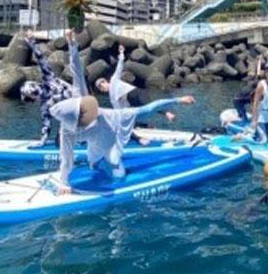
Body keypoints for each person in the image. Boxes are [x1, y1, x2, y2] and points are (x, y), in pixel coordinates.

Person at [50, 30, 195, 194]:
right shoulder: (66, 132)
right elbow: (66, 160)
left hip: (108, 138)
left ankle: (114, 159)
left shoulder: (88, 103)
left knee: (118, 175)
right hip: (94, 144)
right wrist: (63, 182)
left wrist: (72, 44)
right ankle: (99, 162)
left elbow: (148, 108)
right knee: (93, 163)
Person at [94, 44, 176, 143]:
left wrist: (121, 53)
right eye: (100, 88)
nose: (102, 87)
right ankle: (146, 128)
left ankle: (167, 113)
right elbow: (120, 112)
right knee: (129, 117)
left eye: (102, 84)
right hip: (129, 104)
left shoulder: (114, 80)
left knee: (150, 105)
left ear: (106, 82)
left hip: (134, 93)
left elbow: (119, 67)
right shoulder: (112, 98)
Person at [20, 31, 73, 147]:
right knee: (59, 143)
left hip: (81, 105)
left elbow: (41, 58)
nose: (34, 99)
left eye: (31, 97)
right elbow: (46, 125)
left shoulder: (49, 79)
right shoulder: (45, 106)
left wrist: (32, 42)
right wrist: (42, 142)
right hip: (72, 119)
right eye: (30, 99)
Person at [251, 60, 268, 143]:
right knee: (264, 140)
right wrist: (254, 120)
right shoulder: (261, 85)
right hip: (260, 117)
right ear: (265, 73)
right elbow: (255, 103)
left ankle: (251, 134)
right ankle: (244, 136)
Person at [233, 56, 262, 121]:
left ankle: (242, 115)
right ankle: (241, 116)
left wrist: (259, 62)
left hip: (245, 99)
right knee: (243, 116)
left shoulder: (255, 83)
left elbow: (258, 73)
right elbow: (253, 104)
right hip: (238, 101)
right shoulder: (250, 90)